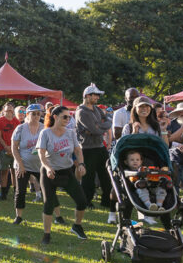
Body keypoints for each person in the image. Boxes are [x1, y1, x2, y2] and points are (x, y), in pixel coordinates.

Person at [37, 105, 89, 244]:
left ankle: (77, 226)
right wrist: (47, 167)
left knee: (82, 201)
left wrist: (81, 164)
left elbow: (78, 151)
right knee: (48, 203)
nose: (67, 119)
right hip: (50, 172)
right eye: (64, 116)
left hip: (66, 171)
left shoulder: (71, 133)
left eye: (69, 117)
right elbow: (41, 154)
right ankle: (46, 234)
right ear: (55, 117)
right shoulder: (46, 133)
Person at [75, 84, 115, 222]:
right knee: (88, 177)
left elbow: (108, 122)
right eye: (95, 95)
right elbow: (94, 129)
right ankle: (86, 201)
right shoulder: (81, 112)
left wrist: (100, 126)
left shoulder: (97, 109)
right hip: (87, 148)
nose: (97, 97)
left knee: (106, 174)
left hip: (99, 146)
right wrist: (99, 127)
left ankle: (106, 200)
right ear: (87, 96)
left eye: (98, 95)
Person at [10, 103, 44, 225]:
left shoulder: (43, 128)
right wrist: (20, 165)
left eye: (38, 114)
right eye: (33, 114)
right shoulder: (20, 128)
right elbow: (14, 147)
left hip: (40, 165)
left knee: (49, 189)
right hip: (23, 164)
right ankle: (18, 216)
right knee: (21, 191)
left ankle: (56, 215)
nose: (36, 116)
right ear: (27, 115)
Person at [0, 103, 21, 200]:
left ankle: (16, 192)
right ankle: (3, 193)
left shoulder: (16, 121)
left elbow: (19, 136)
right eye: (7, 110)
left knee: (15, 171)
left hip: (14, 149)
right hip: (3, 149)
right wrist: (6, 146)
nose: (9, 112)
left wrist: (13, 147)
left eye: (11, 110)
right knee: (4, 171)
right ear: (3, 111)